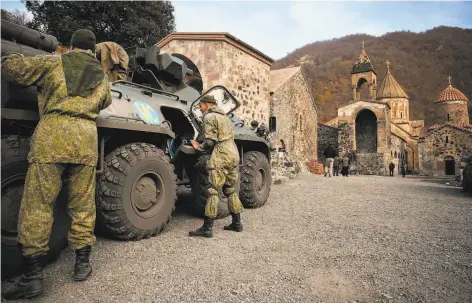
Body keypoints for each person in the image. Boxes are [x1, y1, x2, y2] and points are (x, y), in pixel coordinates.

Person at [1, 29, 112, 300]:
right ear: (92, 49)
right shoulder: (103, 77)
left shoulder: (53, 62)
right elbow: (106, 101)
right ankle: (82, 264)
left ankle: (33, 278)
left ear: (72, 45)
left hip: (53, 135)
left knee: (38, 204)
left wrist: (12, 54)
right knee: (83, 203)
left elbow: (12, 68)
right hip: (86, 139)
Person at [189, 95, 244, 238]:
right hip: (233, 152)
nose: (200, 109)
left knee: (213, 190)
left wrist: (198, 147)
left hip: (221, 154)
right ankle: (237, 223)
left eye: (200, 106)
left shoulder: (209, 117)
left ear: (207, 104)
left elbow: (209, 142)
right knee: (230, 189)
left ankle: (207, 228)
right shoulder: (225, 117)